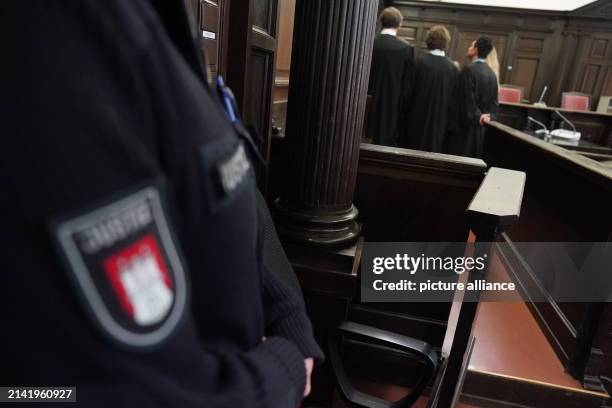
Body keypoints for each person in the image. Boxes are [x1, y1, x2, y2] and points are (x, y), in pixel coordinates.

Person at [1, 1, 323, 407]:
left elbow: (220, 183)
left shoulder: (157, 18)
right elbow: (102, 393)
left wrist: (288, 313)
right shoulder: (49, 33)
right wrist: (285, 371)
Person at [400, 25, 459, 153]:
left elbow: (406, 94)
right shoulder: (453, 69)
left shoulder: (418, 63)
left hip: (415, 122)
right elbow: (454, 104)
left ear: (428, 41)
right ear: (446, 43)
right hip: (439, 126)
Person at [366, 7, 414, 147]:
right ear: (399, 25)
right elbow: (407, 86)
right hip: (391, 109)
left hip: (365, 105)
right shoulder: (406, 49)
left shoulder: (369, 42)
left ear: (381, 22)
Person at [449, 36, 499, 158]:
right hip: (480, 130)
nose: (469, 48)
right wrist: (488, 116)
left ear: (476, 50)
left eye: (471, 46)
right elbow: (494, 104)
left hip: (465, 129)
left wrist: (477, 116)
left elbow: (466, 100)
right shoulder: (492, 74)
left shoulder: (468, 71)